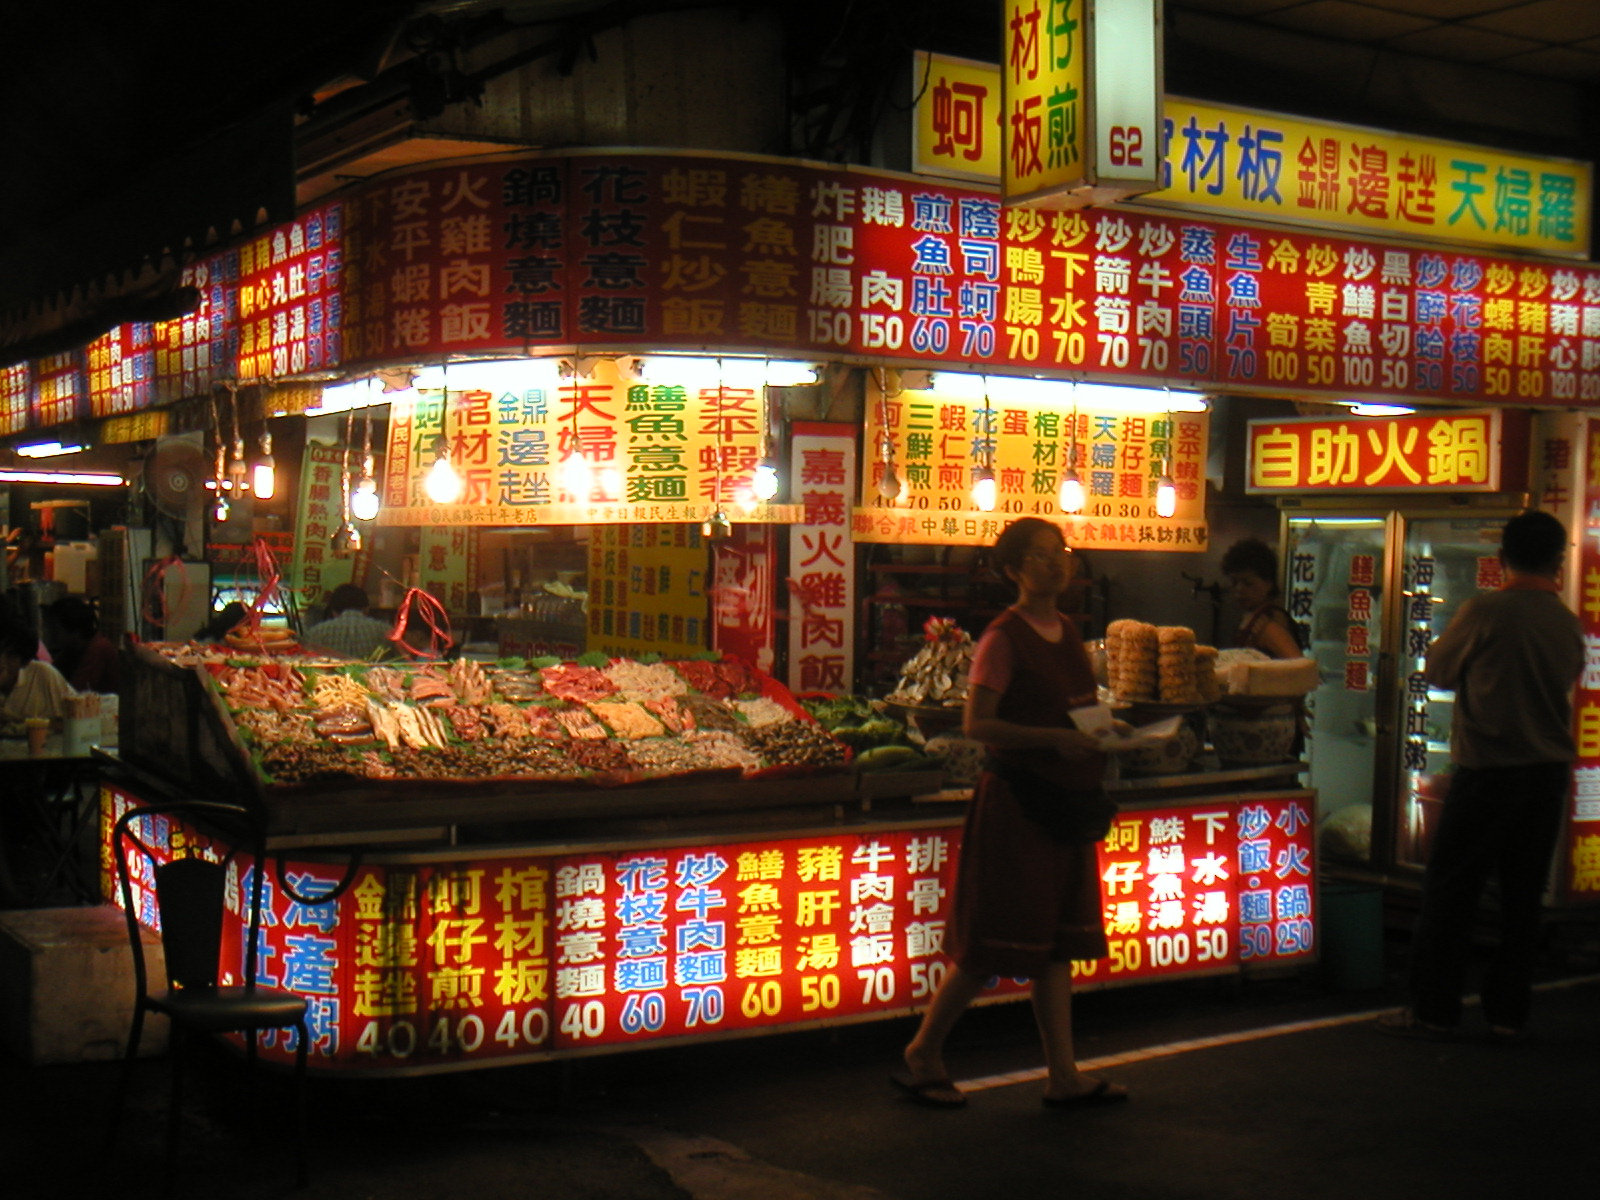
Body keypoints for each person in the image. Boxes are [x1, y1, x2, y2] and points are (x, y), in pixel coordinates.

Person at [897, 518, 1128, 1110]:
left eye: (1063, 554)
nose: (1058, 564)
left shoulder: (1068, 632)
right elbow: (979, 726)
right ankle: (923, 1051)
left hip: (1064, 805)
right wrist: (1052, 740)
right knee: (991, 943)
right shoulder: (1004, 637)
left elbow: (1075, 711)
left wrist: (1108, 730)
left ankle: (1063, 1074)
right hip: (1019, 804)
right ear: (1014, 571)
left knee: (1054, 945)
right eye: (1043, 556)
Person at [1377, 510, 1583, 1043]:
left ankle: (1435, 1009)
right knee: (1522, 899)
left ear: (1501, 559)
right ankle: (1507, 1015)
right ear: (1558, 561)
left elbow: (1438, 670)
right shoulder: (1565, 620)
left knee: (1451, 893)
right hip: (1546, 779)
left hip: (1488, 776)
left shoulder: (1486, 610)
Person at [1220, 537, 1301, 660]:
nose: (1239, 589)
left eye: (1248, 583)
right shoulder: (1252, 616)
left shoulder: (1268, 624)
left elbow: (1299, 665)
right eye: (1234, 582)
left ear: (1268, 583)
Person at [0, 620, 76, 724]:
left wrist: (16, 720)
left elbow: (69, 722)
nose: (1, 662)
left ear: (25, 662)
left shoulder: (43, 674)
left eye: (11, 656)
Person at [301, 584, 393, 660]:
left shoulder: (315, 633)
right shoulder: (387, 632)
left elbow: (306, 661)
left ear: (333, 611)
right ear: (366, 609)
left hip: (329, 682)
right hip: (375, 681)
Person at [47, 595, 119, 693]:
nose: (51, 633)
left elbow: (76, 692)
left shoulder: (98, 649)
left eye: (56, 629)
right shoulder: (73, 648)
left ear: (74, 630)